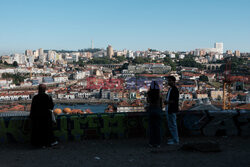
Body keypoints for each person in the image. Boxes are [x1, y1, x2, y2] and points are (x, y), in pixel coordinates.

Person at [147, 81, 163, 148]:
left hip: (151, 110)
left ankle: (151, 143)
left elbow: (148, 101)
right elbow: (161, 104)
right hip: (158, 110)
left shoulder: (149, 93)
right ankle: (158, 143)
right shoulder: (159, 94)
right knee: (158, 128)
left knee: (151, 128)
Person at [164, 76, 179, 145]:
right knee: (171, 125)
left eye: (169, 81)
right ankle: (174, 138)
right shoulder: (171, 89)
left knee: (173, 125)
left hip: (172, 109)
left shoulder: (175, 90)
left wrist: (167, 102)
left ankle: (176, 140)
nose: (168, 82)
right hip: (169, 109)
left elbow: (175, 101)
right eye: (168, 81)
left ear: (173, 81)